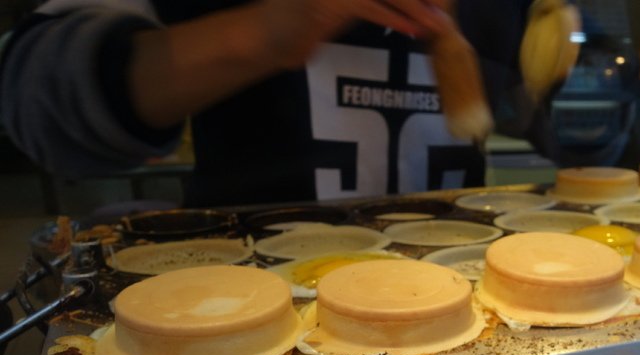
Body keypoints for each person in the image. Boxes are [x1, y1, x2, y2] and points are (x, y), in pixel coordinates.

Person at [0, 0, 562, 208]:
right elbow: (36, 103)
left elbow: (521, 130)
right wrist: (260, 34)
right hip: (236, 316)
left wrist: (551, 61)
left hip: (461, 303)